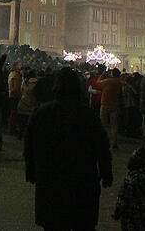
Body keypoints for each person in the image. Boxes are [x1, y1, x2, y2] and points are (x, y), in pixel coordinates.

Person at [24, 67, 112, 231]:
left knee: (54, 224)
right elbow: (102, 145)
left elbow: (29, 145)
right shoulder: (87, 114)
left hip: (51, 180)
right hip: (82, 181)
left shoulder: (42, 113)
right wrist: (106, 172)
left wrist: (31, 170)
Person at [113, 145, 145, 231]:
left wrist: (118, 211)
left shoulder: (131, 178)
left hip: (130, 214)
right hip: (144, 214)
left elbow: (123, 197)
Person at [96, 68, 123, 149]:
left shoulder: (108, 81)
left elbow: (98, 83)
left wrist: (103, 75)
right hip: (115, 104)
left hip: (105, 103)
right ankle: (114, 142)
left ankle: (102, 141)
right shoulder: (119, 82)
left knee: (103, 123)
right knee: (114, 125)